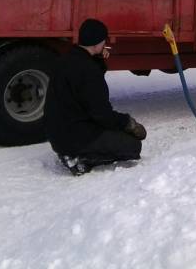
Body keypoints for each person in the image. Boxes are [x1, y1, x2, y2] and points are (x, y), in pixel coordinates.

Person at [45, 18, 147, 175]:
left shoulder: (65, 60)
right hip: (75, 137)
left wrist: (98, 59)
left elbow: (86, 83)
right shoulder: (89, 71)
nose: (105, 43)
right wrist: (128, 123)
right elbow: (102, 115)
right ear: (95, 44)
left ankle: (71, 152)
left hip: (57, 134)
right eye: (103, 40)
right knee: (132, 146)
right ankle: (80, 158)